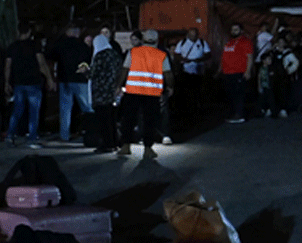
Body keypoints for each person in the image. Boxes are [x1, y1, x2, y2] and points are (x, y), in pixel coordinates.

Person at [116, 29, 173, 159]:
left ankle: (126, 146)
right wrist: (170, 86)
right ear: (157, 41)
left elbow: (124, 70)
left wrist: (119, 86)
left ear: (143, 39)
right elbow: (168, 73)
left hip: (133, 91)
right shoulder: (161, 55)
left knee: (129, 118)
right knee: (149, 121)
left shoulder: (133, 52)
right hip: (152, 93)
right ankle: (148, 149)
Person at [4, 22, 54, 148]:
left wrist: (6, 82)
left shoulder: (12, 47)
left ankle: (10, 135)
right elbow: (41, 63)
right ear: (29, 32)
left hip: (18, 83)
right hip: (33, 82)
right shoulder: (34, 46)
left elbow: (8, 66)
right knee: (34, 112)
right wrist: (49, 79)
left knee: (17, 111)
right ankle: (32, 138)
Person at [48, 24, 92, 143]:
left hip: (65, 80)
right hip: (80, 80)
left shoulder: (60, 45)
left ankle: (64, 135)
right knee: (87, 107)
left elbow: (51, 58)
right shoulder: (83, 46)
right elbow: (89, 60)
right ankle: (92, 132)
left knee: (65, 109)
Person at [88, 34, 122, 153]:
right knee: (112, 119)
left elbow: (92, 74)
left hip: (100, 92)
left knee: (103, 120)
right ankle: (115, 142)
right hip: (112, 91)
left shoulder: (99, 56)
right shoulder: (115, 55)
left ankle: (106, 144)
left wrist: (84, 71)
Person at [173, 27, 211, 127]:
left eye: (195, 34)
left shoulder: (202, 43)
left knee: (197, 91)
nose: (193, 36)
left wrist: (200, 59)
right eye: (191, 34)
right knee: (187, 91)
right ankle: (188, 110)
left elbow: (208, 54)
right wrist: (183, 60)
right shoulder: (182, 43)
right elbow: (176, 54)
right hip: (186, 70)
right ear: (188, 35)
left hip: (199, 70)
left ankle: (196, 110)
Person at [220, 23, 254, 123]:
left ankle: (240, 115)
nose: (234, 31)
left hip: (239, 71)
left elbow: (249, 57)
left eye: (236, 29)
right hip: (228, 72)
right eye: (232, 29)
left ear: (241, 31)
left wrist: (247, 71)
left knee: (239, 94)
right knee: (231, 94)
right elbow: (224, 56)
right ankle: (234, 113)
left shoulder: (245, 42)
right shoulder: (229, 42)